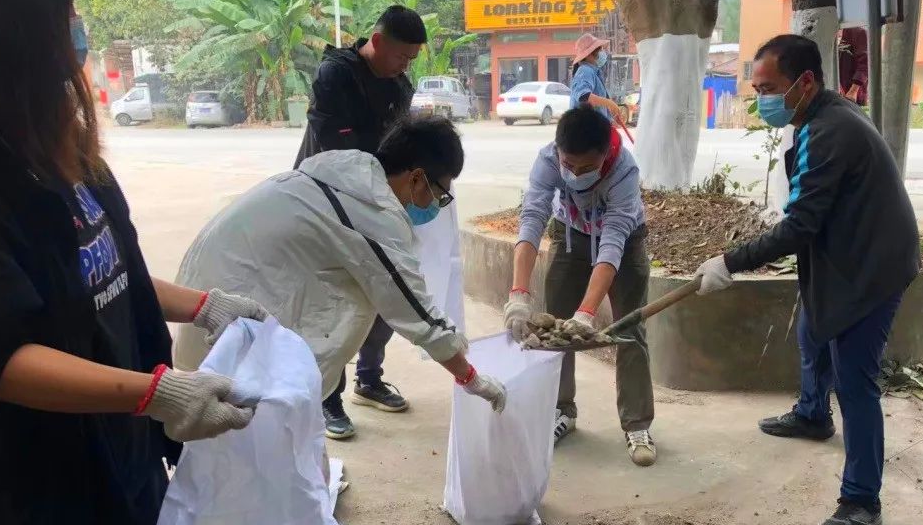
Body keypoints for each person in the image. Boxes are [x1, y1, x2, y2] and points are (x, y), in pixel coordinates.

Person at [0, 0, 265, 525]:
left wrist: (206, 306)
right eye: (67, 2)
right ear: (8, 15)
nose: (79, 25)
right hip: (41, 520)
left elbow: (107, 269)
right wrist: (156, 393)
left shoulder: (51, 141)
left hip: (121, 470)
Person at [694, 34, 920, 525]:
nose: (762, 99)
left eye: (769, 87)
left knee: (855, 379)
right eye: (756, 89)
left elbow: (798, 227)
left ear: (806, 83)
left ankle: (861, 500)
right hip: (847, 251)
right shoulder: (821, 120)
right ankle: (812, 415)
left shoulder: (830, 131)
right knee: (812, 331)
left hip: (873, 267)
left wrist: (728, 262)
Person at [174, 115, 507, 436]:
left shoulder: (341, 177)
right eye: (439, 193)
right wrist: (472, 379)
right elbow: (414, 311)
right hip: (224, 332)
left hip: (212, 304)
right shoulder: (372, 211)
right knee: (256, 447)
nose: (436, 204)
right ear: (417, 178)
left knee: (275, 444)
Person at [294, 5, 427, 440]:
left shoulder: (400, 84)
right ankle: (328, 396)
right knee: (336, 299)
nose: (405, 65)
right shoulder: (338, 74)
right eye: (401, 55)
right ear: (378, 40)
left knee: (386, 288)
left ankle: (369, 379)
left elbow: (399, 143)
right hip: (326, 198)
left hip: (376, 200)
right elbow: (338, 144)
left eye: (412, 59)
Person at [504, 107, 656, 467]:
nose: (573, 174)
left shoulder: (624, 173)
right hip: (569, 234)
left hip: (625, 242)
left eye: (586, 168)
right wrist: (518, 294)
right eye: (568, 165)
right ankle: (562, 410)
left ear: (605, 155)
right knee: (552, 329)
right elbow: (531, 221)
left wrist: (587, 314)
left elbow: (613, 244)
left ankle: (637, 424)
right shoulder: (547, 159)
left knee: (629, 330)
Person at [570, 33, 626, 127]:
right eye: (600, 49)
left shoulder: (594, 72)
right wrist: (609, 103)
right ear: (588, 54)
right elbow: (583, 96)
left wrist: (612, 122)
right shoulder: (585, 70)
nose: (603, 52)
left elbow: (598, 109)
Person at [838, 27, 869, 106]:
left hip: (852, 94)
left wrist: (853, 91)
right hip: (834, 92)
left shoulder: (858, 33)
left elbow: (865, 64)